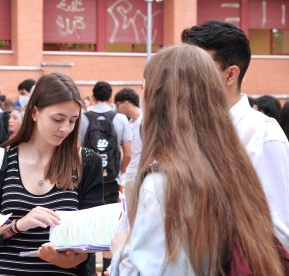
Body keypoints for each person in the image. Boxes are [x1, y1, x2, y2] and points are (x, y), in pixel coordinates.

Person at [109, 44, 286, 276]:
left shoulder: (164, 184)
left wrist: (121, 249)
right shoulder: (234, 165)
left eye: (146, 87)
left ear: (158, 99)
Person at [0, 73, 104, 275]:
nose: (65, 129)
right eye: (58, 119)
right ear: (34, 112)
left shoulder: (87, 162)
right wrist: (18, 225)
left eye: (73, 121)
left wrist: (67, 259)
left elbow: (91, 240)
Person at [182, 20, 289, 249]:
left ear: (230, 75)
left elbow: (279, 236)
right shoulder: (186, 129)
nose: (184, 80)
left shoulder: (263, 137)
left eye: (195, 70)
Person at [78, 81, 131, 274]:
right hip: (111, 181)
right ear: (110, 97)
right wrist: (119, 172)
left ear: (92, 97)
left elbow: (77, 149)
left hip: (87, 182)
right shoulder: (121, 119)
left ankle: (90, 269)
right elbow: (128, 153)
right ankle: (108, 270)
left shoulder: (84, 118)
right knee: (111, 227)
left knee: (89, 225)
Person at [114, 88, 142, 187]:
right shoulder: (129, 124)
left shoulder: (145, 122)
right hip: (130, 176)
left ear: (126, 103)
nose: (117, 109)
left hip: (142, 176)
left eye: (117, 105)